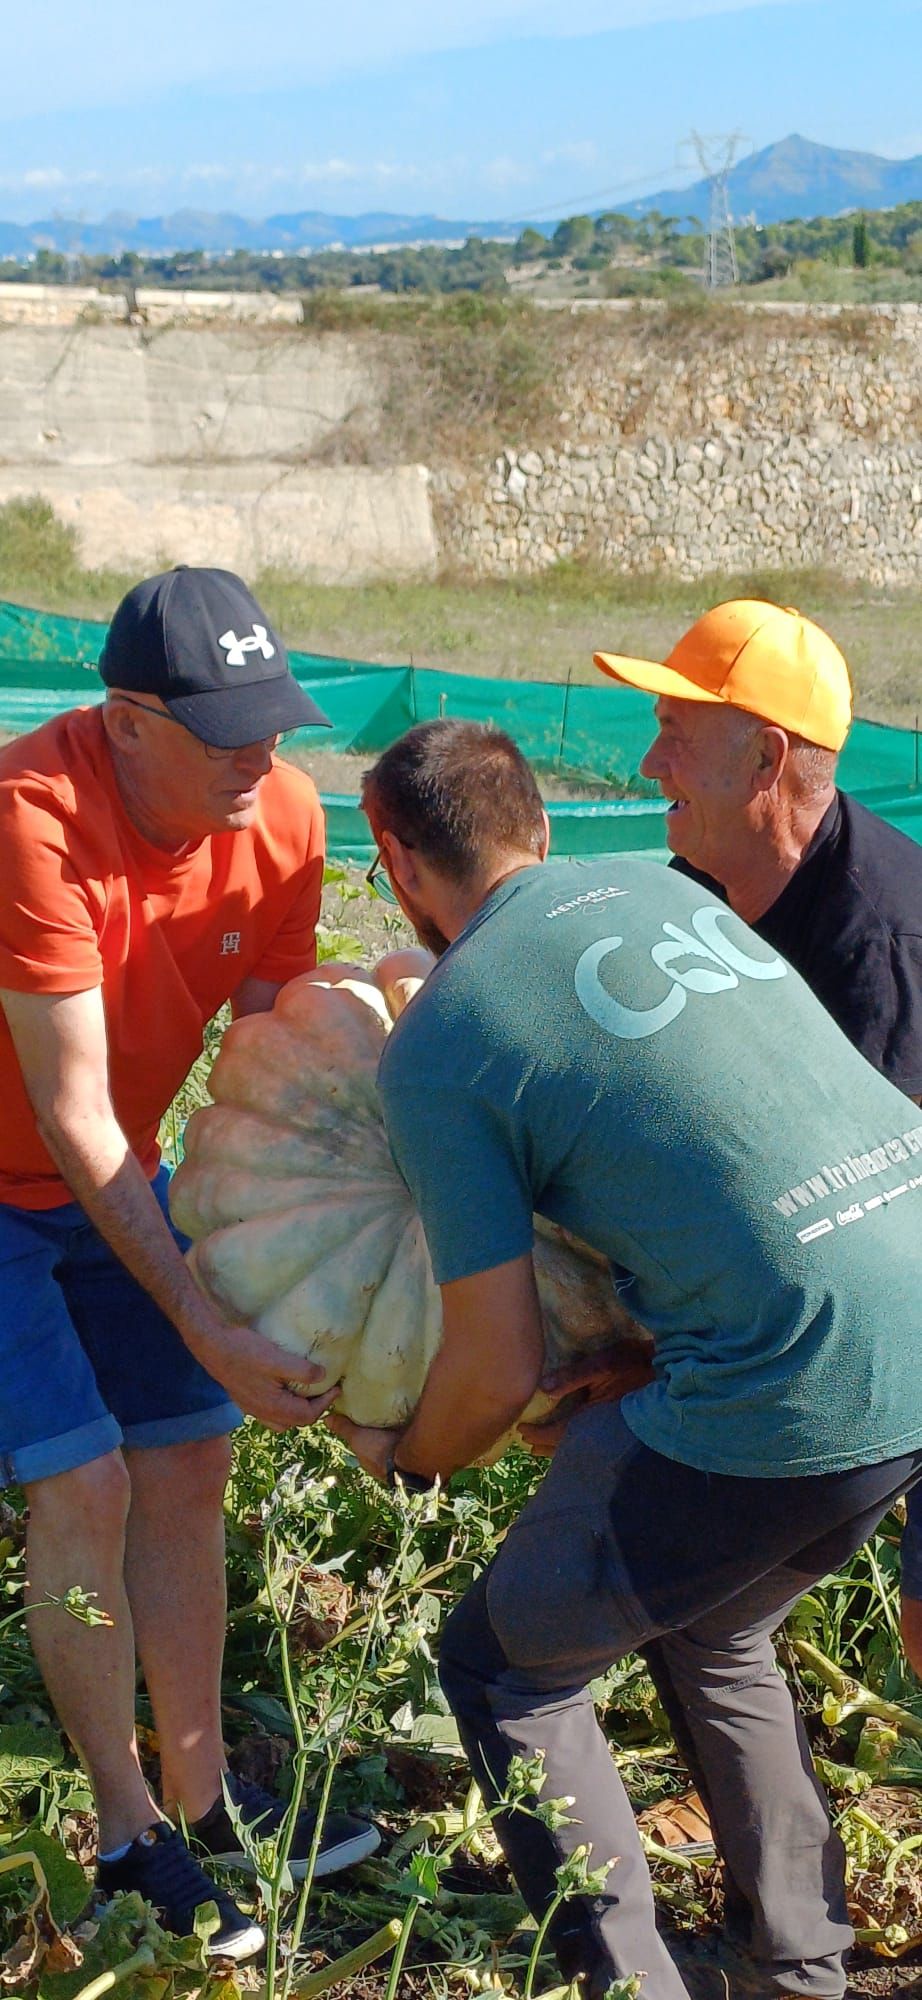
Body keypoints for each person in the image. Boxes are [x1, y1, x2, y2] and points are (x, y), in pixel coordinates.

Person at [330, 717, 922, 2000]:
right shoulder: (663, 888)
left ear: (392, 856)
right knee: (714, 1618)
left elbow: (493, 1366)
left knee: (503, 1663)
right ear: (538, 826)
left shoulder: (443, 1040)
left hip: (795, 1371)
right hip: (911, 1322)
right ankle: (798, 1969)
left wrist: (405, 1454)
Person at [0, 566, 378, 1964]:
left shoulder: (273, 814)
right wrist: (207, 1322)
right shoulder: (30, 818)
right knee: (82, 1480)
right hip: (25, 1177)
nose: (259, 758)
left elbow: (287, 1036)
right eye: (222, 731)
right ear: (124, 721)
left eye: (271, 725)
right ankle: (123, 1824)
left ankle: (204, 1793)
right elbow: (74, 1113)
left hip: (111, 1176)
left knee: (190, 1465)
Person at [593, 598, 922, 1675]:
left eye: (677, 735)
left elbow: (869, 1209)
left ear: (766, 759)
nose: (650, 764)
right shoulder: (705, 894)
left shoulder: (881, 940)